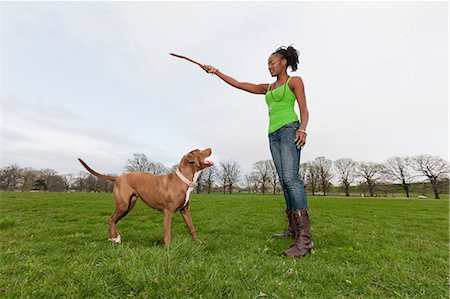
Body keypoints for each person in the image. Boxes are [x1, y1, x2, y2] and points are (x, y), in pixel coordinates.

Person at [201, 45, 314, 257]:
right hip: (273, 135)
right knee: (283, 181)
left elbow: (304, 109)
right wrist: (216, 72)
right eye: (267, 64)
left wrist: (303, 129)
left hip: (290, 129)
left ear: (283, 62)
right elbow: (239, 85)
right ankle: (293, 229)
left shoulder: (294, 81)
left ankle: (305, 240)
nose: (269, 67)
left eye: (272, 62)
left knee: (291, 179)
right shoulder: (268, 88)